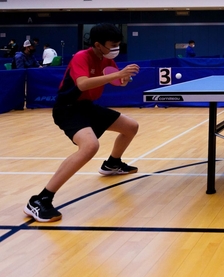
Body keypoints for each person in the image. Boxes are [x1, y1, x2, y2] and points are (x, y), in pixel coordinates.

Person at [23, 23, 140, 222]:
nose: (116, 48)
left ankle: (112, 164)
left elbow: (118, 81)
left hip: (86, 106)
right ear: (98, 44)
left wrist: (124, 78)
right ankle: (40, 199)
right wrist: (118, 75)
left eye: (118, 44)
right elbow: (83, 83)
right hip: (67, 109)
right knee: (90, 147)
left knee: (131, 126)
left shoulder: (106, 59)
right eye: (113, 44)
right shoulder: (81, 57)